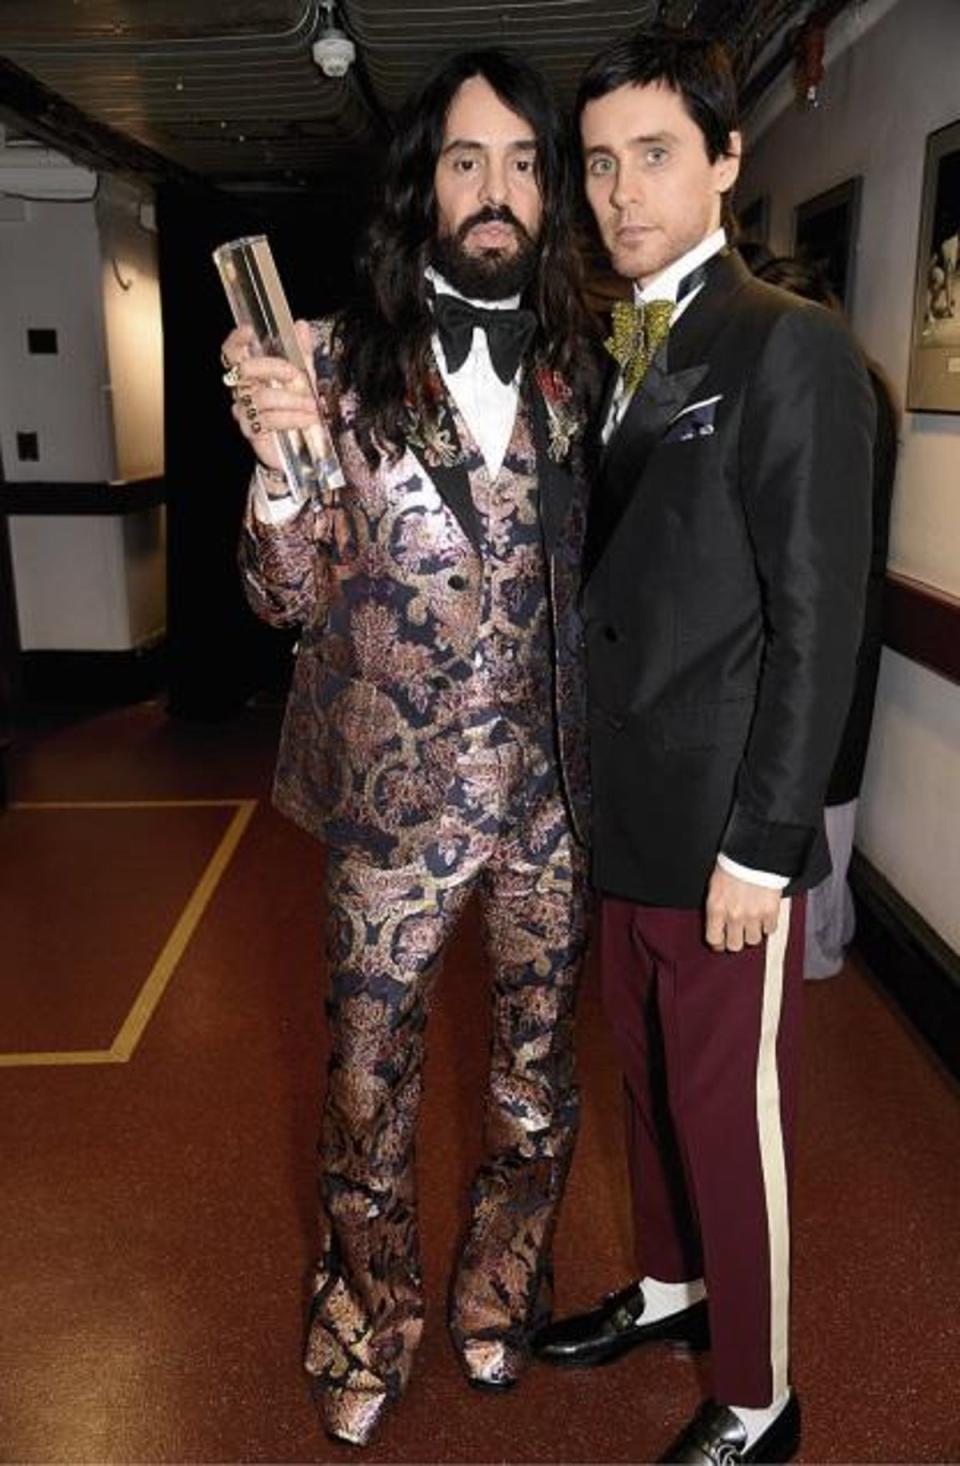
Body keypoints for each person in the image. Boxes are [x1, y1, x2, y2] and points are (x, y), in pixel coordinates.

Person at [220, 48, 596, 1448]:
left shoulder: (583, 372)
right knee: (368, 1093)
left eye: (521, 164)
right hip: (389, 815)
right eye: (465, 160)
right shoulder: (319, 362)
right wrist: (274, 473)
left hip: (549, 811)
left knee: (535, 1086)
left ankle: (500, 1299)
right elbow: (280, 596)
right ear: (422, 186)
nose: (494, 191)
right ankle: (365, 1324)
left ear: (547, 193)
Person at [532, 29, 874, 1466]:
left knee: (731, 1119)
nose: (619, 191)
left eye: (654, 154)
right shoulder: (610, 346)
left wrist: (765, 843)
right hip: (627, 813)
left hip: (724, 828)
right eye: (600, 163)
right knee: (649, 1085)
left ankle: (758, 1392)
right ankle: (673, 1290)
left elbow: (823, 621)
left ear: (729, 160)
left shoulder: (785, 346)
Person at [751, 255, 898, 980]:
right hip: (836, 612)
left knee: (823, 786)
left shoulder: (842, 389)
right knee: (819, 785)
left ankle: (817, 946)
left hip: (834, 616)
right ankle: (816, 941)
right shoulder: (861, 386)